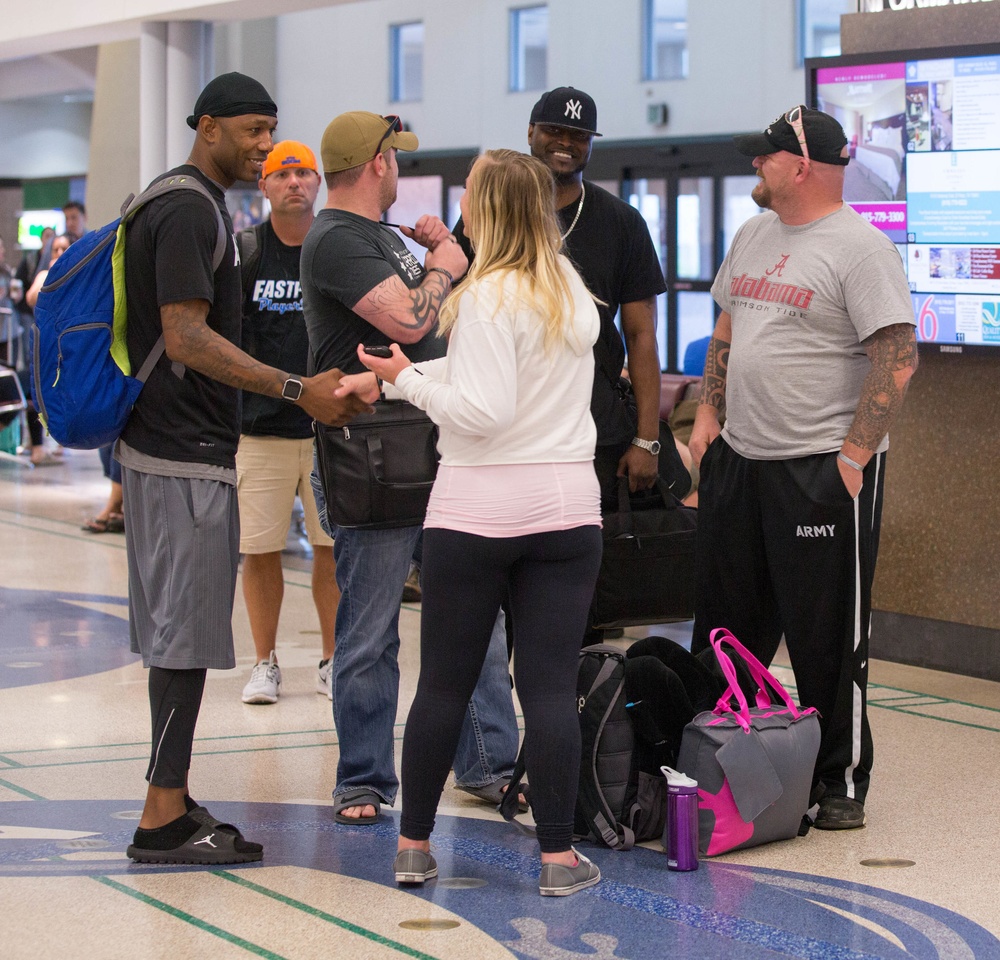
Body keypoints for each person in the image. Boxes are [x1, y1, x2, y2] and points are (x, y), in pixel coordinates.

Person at [116, 73, 369, 865]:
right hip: (179, 451)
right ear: (209, 128)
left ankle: (172, 796)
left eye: (273, 130)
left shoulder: (186, 202)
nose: (266, 145)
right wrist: (296, 388)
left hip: (176, 448)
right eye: (254, 130)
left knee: (183, 634)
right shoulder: (190, 209)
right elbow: (186, 337)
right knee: (182, 638)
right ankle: (161, 818)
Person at [337, 149, 604, 896]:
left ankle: (414, 847)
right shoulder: (566, 286)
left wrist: (410, 381)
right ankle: (558, 859)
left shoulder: (485, 296)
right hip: (565, 509)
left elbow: (483, 409)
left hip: (477, 511)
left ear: (483, 208)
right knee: (548, 688)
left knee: (444, 686)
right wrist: (396, 379)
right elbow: (492, 373)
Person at [688, 106, 918, 831]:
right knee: (726, 627)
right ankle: (718, 761)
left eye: (765, 157)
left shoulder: (861, 249)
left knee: (826, 638)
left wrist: (853, 458)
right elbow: (727, 323)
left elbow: (897, 357)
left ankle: (839, 778)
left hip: (820, 471)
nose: (755, 166)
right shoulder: (753, 233)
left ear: (802, 166)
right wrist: (708, 412)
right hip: (742, 460)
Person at [301, 111, 521, 824]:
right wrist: (445, 263)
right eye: (395, 157)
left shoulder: (381, 237)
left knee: (475, 614)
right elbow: (410, 322)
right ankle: (364, 780)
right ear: (378, 164)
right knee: (370, 631)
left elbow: (440, 325)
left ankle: (489, 762)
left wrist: (438, 255)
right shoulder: (337, 238)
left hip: (435, 443)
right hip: (370, 457)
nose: (398, 167)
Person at [453, 86, 665, 508]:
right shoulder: (491, 213)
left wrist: (648, 439)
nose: (566, 143)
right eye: (554, 130)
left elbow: (642, 336)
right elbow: (459, 312)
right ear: (530, 131)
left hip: (592, 426)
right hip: (505, 424)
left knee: (588, 543)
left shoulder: (623, 222)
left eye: (580, 135)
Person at [234, 140, 340, 705]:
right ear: (265, 186)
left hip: (328, 429)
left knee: (332, 548)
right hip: (260, 429)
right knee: (260, 549)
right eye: (282, 174)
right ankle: (264, 662)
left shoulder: (333, 248)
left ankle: (332, 660)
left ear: (319, 182)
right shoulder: (247, 251)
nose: (294, 182)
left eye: (303, 173)